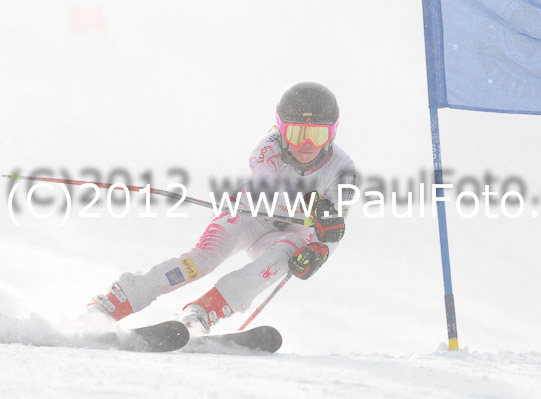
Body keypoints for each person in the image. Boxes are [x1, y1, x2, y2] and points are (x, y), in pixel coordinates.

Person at [88, 82, 356, 333]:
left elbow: (333, 229)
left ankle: (201, 314)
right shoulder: (267, 148)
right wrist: (312, 205)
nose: (307, 146)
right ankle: (118, 300)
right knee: (201, 261)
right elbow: (269, 188)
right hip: (247, 214)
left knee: (283, 257)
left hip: (290, 235)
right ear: (281, 129)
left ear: (332, 133)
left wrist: (319, 251)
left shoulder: (343, 170)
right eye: (297, 134)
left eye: (318, 135)